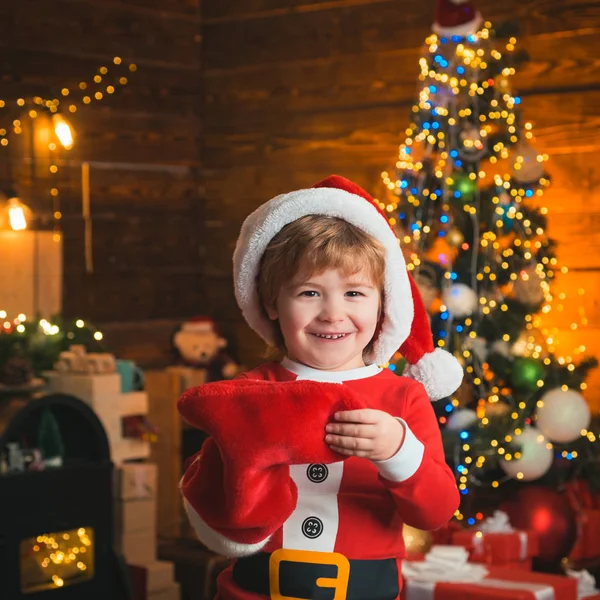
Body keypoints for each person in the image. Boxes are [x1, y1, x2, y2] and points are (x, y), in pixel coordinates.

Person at [178, 175, 463, 600]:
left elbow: (436, 511)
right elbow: (209, 496)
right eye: (310, 292)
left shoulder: (402, 398)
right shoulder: (250, 391)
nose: (333, 314)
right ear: (272, 302)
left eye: (354, 293)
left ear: (382, 303)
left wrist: (397, 451)